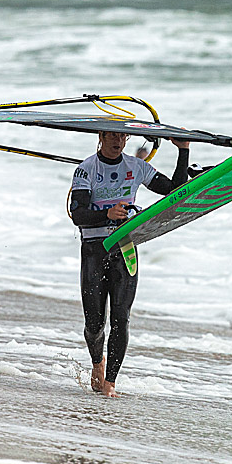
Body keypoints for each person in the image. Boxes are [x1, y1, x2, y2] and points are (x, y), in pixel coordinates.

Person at [68, 131, 189, 397]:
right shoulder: (86, 169)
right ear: (101, 135)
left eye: (122, 136)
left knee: (121, 319)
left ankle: (111, 381)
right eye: (112, 135)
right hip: (94, 249)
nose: (117, 141)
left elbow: (176, 192)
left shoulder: (137, 167)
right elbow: (78, 214)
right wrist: (106, 214)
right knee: (94, 323)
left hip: (124, 247)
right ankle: (97, 361)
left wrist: (183, 151)